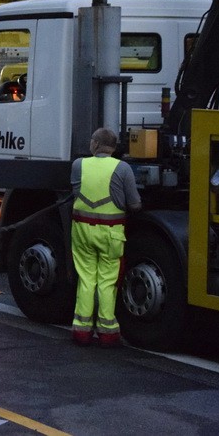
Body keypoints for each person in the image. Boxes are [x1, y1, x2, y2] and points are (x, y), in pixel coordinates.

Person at [69, 127, 142, 348]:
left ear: (96, 144)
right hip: (111, 233)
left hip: (82, 230)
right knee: (108, 281)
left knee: (86, 278)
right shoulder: (123, 168)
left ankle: (81, 331)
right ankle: (108, 333)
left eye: (91, 141)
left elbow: (76, 193)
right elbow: (134, 204)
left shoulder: (78, 165)